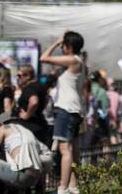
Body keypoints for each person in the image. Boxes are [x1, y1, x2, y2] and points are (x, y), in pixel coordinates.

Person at [42, 31, 86, 194]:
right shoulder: (80, 62)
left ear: (69, 47)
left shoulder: (73, 59)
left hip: (66, 109)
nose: (61, 48)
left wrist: (55, 42)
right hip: (75, 110)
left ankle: (62, 188)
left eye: (63, 46)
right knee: (73, 151)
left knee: (64, 150)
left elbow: (44, 57)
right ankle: (73, 187)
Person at [0, 113, 52, 194]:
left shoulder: (3, 128)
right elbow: (48, 154)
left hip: (19, 175)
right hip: (35, 178)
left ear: (0, 124)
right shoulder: (27, 131)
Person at [15, 64, 50, 147]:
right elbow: (47, 99)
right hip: (40, 123)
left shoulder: (30, 88)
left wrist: (27, 115)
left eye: (19, 76)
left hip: (31, 126)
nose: (18, 78)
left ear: (28, 76)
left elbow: (34, 101)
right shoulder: (40, 85)